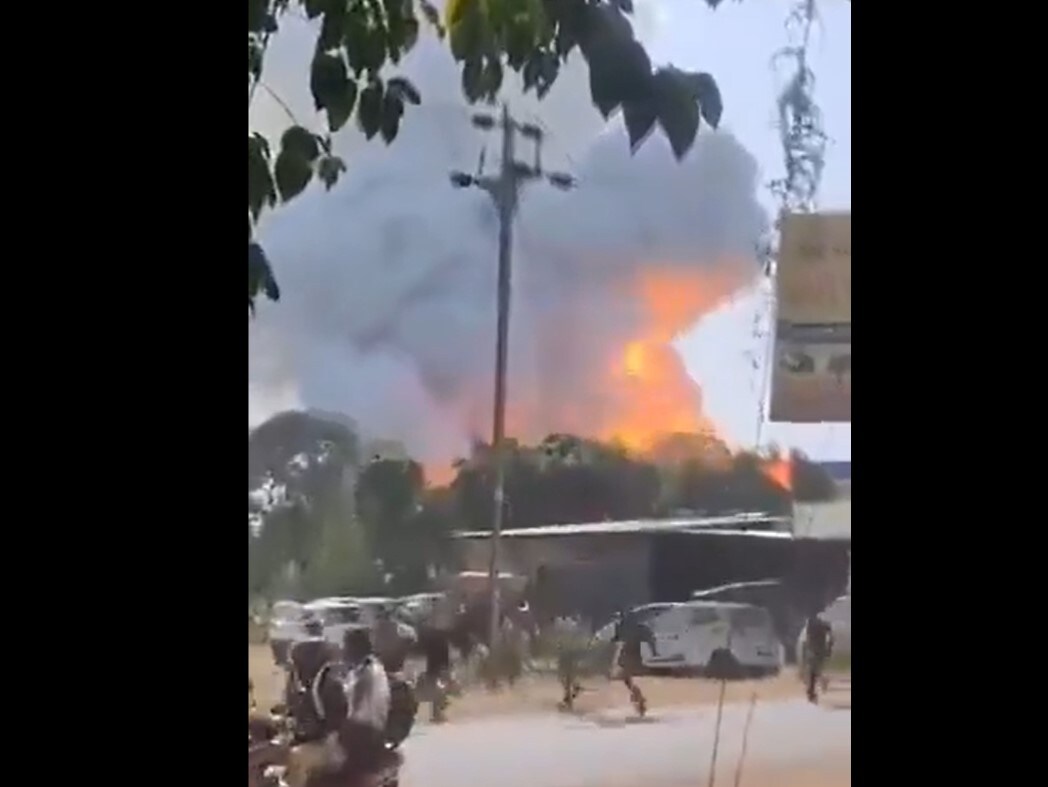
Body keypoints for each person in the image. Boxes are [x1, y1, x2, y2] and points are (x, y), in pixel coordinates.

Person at [283, 619, 349, 787]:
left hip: (331, 743)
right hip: (309, 740)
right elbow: (291, 711)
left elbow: (339, 724)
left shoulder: (329, 683)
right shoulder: (299, 682)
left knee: (296, 758)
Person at [339, 627, 392, 774]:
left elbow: (354, 705)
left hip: (363, 732)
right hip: (373, 729)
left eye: (346, 646)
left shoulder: (366, 671)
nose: (343, 650)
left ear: (356, 648)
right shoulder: (372, 666)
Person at [610, 609, 657, 717]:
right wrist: (654, 651)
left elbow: (650, 638)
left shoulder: (629, 627)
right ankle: (638, 699)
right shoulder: (636, 628)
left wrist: (654, 651)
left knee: (625, 677)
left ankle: (638, 698)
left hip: (630, 655)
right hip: (628, 655)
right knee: (626, 679)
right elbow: (650, 638)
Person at [803, 613, 834, 704]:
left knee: (813, 672)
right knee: (815, 671)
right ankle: (813, 690)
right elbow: (831, 638)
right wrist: (829, 648)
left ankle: (812, 691)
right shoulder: (823, 625)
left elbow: (806, 640)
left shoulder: (811, 625)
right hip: (818, 651)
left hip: (814, 651)